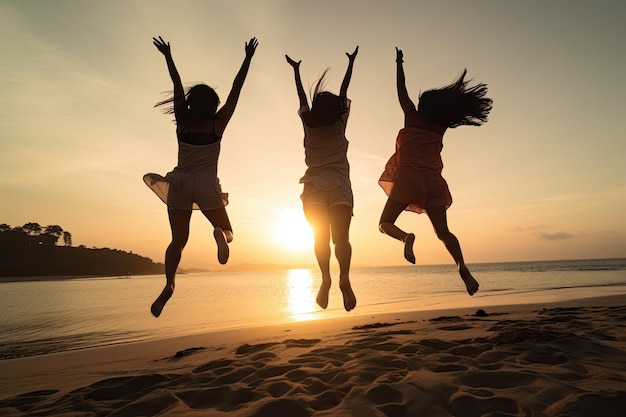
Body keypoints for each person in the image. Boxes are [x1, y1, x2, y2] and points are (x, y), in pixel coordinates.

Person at [144, 36, 258, 317]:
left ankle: (169, 284)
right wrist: (247, 58)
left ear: (191, 104)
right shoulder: (218, 123)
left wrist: (168, 56)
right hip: (207, 183)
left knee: (178, 241)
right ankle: (219, 234)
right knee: (228, 231)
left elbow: (176, 85)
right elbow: (236, 89)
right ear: (214, 105)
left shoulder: (182, 124)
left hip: (180, 182)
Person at [378, 47, 492, 296]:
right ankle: (462, 267)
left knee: (385, 223)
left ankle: (405, 238)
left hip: (409, 178)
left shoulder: (411, 116)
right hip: (434, 182)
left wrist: (399, 62)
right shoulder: (440, 127)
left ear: (422, 106)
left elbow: (401, 90)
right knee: (443, 232)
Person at [285, 47, 359, 312]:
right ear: (336, 109)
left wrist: (296, 71)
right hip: (339, 187)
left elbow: (301, 96)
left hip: (314, 188)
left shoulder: (308, 122)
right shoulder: (339, 123)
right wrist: (350, 64)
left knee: (320, 238)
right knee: (341, 239)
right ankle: (345, 278)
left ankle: (326, 278)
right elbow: (345, 92)